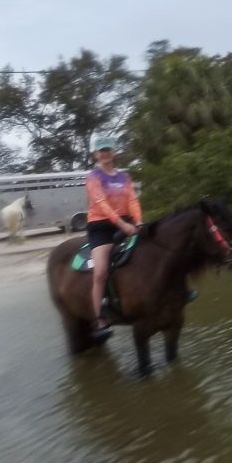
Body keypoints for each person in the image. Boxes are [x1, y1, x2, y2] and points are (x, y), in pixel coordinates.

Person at [85, 134, 142, 338]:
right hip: (101, 227)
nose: (105, 153)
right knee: (100, 272)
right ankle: (100, 319)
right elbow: (101, 203)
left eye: (108, 149)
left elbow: (132, 200)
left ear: (114, 152)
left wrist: (139, 220)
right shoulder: (94, 177)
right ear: (96, 154)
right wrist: (123, 226)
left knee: (154, 251)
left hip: (126, 223)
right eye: (101, 150)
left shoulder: (124, 177)